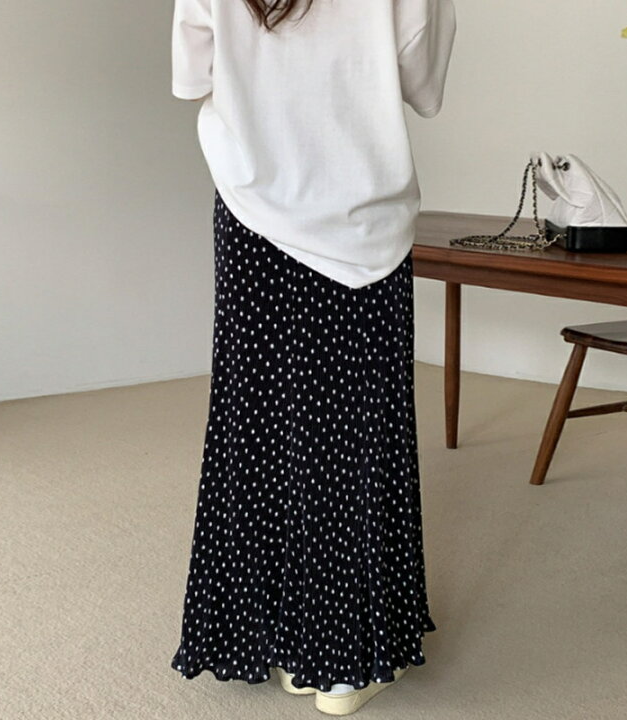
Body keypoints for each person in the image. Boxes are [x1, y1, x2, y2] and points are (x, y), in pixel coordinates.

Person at [169, 0, 457, 714]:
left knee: (259, 428)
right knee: (357, 437)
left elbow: (191, 78)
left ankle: (273, 639)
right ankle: (344, 664)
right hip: (364, 222)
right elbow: (422, 84)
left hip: (254, 211)